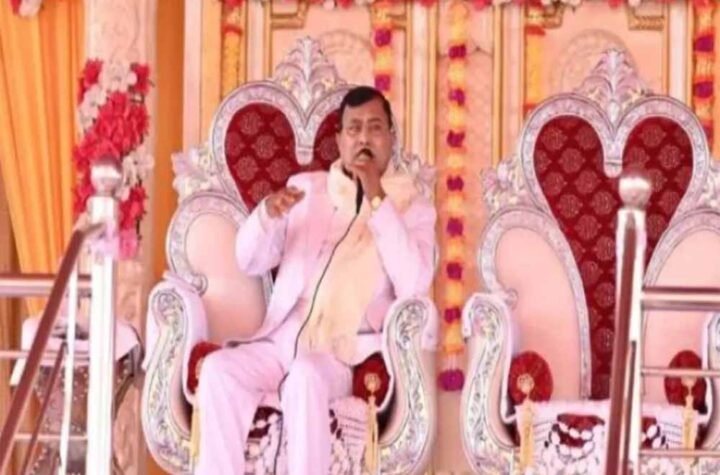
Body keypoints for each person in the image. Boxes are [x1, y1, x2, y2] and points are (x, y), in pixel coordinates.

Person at [195, 85, 436, 474]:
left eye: (375, 128)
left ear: (391, 138)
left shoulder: (413, 209)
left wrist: (377, 198)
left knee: (305, 376)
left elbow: (414, 283)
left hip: (340, 351)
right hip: (281, 340)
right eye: (354, 129)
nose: (363, 138)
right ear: (339, 140)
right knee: (218, 371)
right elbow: (249, 260)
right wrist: (268, 217)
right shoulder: (307, 189)